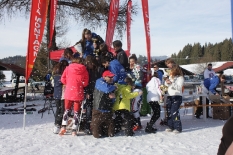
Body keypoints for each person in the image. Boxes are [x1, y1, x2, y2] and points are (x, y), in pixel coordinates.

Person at [59, 57, 89, 136]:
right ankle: (74, 130)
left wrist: (68, 83)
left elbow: (62, 79)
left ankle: (63, 127)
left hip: (69, 91)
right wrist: (79, 84)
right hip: (78, 92)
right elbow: (85, 83)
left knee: (67, 110)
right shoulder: (84, 69)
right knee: (76, 112)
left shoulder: (68, 68)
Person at [91, 70, 117, 138]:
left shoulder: (111, 83)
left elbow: (112, 96)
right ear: (104, 77)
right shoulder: (99, 81)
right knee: (96, 135)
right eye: (110, 77)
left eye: (112, 77)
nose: (112, 79)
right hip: (98, 111)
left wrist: (113, 97)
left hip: (108, 111)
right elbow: (107, 89)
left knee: (111, 134)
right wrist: (114, 87)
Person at [84, 55, 103, 135]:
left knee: (96, 109)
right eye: (87, 64)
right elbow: (85, 82)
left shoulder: (98, 69)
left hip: (97, 91)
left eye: (89, 63)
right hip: (90, 91)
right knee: (88, 109)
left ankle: (95, 125)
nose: (88, 65)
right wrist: (87, 92)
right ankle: (87, 126)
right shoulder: (86, 70)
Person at [164, 60, 184, 133]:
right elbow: (167, 85)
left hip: (177, 96)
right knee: (168, 111)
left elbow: (179, 87)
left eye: (172, 70)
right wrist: (167, 82)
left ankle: (178, 127)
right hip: (170, 95)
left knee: (174, 112)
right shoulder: (171, 77)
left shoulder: (180, 78)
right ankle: (170, 126)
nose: (170, 71)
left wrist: (171, 83)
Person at [52, 60, 69, 134]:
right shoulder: (62, 76)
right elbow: (65, 83)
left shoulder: (55, 75)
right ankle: (59, 124)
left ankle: (57, 124)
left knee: (58, 109)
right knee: (62, 110)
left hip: (56, 94)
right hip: (62, 95)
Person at [127, 54, 143, 131]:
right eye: (130, 61)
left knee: (134, 106)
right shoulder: (129, 69)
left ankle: (138, 124)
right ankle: (135, 123)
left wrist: (133, 84)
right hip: (131, 89)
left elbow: (140, 77)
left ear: (135, 61)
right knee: (132, 106)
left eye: (133, 61)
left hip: (137, 89)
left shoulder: (137, 67)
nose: (131, 63)